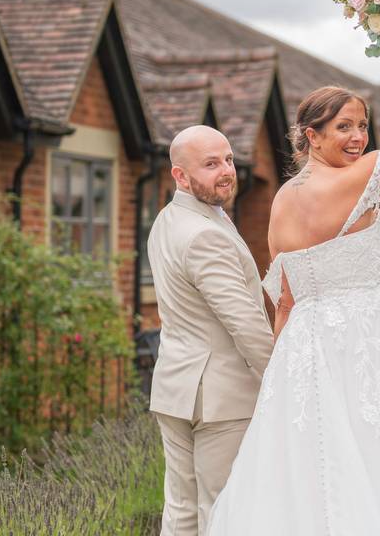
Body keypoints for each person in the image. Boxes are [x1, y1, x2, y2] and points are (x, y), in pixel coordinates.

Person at [206, 5, 380, 535]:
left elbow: (284, 303)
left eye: (363, 126)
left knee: (307, 471)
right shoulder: (360, 178)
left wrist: (277, 382)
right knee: (379, 461)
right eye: (343, 127)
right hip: (366, 340)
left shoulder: (282, 201)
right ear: (310, 135)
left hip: (302, 349)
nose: (358, 138)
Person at [146, 125, 275, 536]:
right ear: (180, 176)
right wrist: (282, 377)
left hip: (176, 390)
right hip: (222, 397)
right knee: (224, 512)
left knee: (182, 511)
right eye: (210, 164)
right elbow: (244, 322)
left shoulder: (169, 220)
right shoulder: (203, 234)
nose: (226, 171)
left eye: (229, 159)